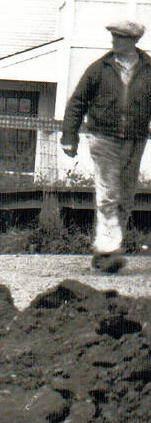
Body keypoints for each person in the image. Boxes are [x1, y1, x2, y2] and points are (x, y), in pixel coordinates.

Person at [62, 18, 151, 273]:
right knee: (109, 192)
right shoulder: (100, 68)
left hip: (135, 139)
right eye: (113, 36)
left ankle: (105, 251)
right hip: (103, 138)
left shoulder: (148, 69)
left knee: (125, 195)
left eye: (119, 37)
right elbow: (77, 101)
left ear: (133, 41)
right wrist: (69, 136)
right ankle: (110, 248)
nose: (114, 41)